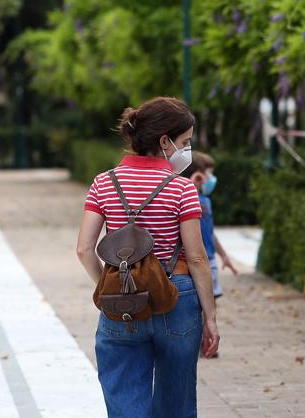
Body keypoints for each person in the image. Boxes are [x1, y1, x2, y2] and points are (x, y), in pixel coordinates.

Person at [76, 97, 219, 418]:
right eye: (185, 142)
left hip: (121, 301)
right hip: (176, 297)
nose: (187, 150)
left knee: (124, 393)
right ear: (164, 141)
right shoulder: (182, 189)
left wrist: (111, 286)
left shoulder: (103, 183)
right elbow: (197, 258)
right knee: (176, 401)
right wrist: (210, 316)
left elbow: (85, 249)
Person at [182, 152, 238, 303]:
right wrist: (191, 186)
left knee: (209, 302)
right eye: (209, 174)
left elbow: (210, 232)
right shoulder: (190, 199)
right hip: (198, 260)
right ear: (198, 175)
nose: (212, 179)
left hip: (210, 259)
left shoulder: (205, 201)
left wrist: (223, 255)